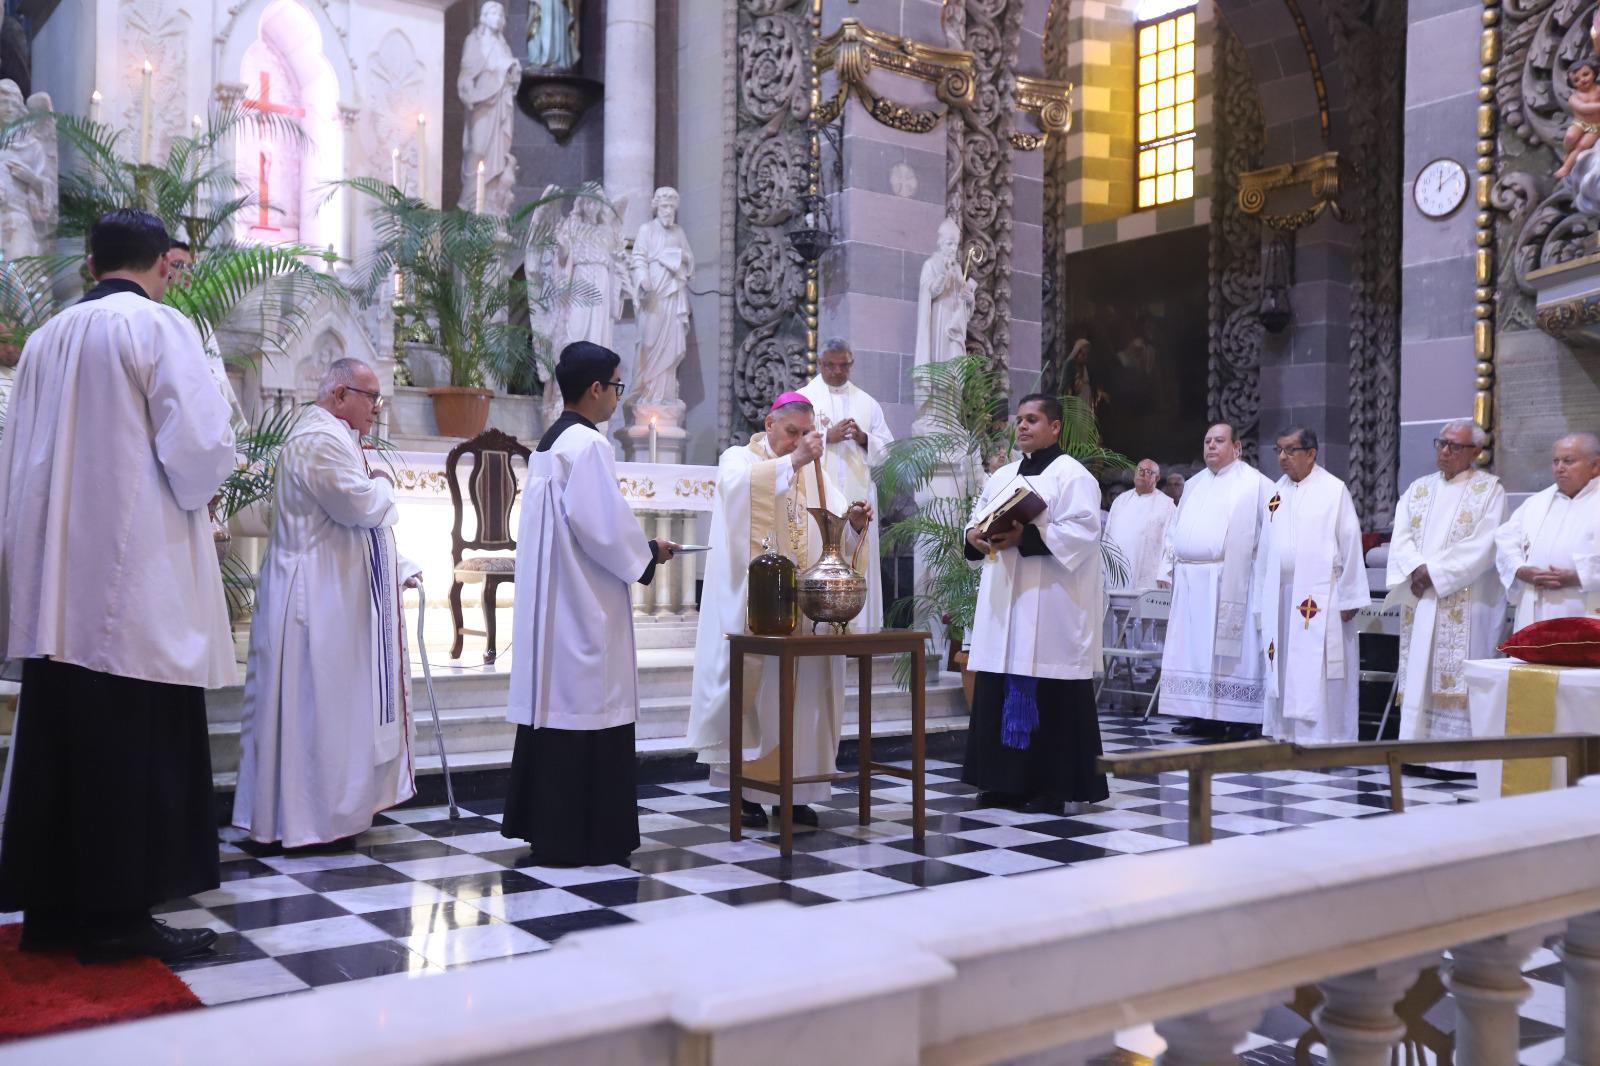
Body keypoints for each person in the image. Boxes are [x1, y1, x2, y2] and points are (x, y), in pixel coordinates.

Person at [0, 209, 235, 961]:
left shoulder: (45, 337)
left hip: (53, 585)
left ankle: (54, 914)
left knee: (61, 744)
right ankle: (117, 921)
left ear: (91, 262)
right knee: (130, 749)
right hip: (134, 584)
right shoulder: (156, 326)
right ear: (165, 262)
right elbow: (200, 451)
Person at [503, 342, 678, 867]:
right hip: (583, 605)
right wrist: (647, 553)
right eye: (617, 387)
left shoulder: (550, 443)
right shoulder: (588, 445)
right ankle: (589, 837)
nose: (618, 398)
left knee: (557, 714)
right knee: (589, 708)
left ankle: (549, 830)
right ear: (596, 388)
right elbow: (602, 527)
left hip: (554, 604)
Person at [232, 358, 420, 849]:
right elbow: (360, 505)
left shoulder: (332, 436)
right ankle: (312, 821)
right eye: (371, 397)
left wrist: (398, 564)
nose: (377, 408)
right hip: (313, 597)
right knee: (315, 708)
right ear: (340, 396)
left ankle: (323, 816)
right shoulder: (319, 440)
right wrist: (383, 480)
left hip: (328, 589)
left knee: (326, 709)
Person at [686, 393, 872, 827]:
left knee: (805, 705)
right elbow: (738, 494)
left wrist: (854, 524)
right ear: (769, 424)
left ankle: (797, 792)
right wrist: (793, 462)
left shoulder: (815, 473)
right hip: (758, 612)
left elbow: (835, 529)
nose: (799, 441)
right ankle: (748, 792)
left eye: (806, 433)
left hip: (807, 615)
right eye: (792, 432)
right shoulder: (739, 459)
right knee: (759, 701)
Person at [960, 394, 1108, 813]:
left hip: (1051, 603)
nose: (1022, 427)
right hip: (1004, 599)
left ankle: (1049, 785)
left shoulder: (1073, 475)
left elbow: (1084, 532)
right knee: (997, 686)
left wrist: (1025, 536)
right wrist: (974, 535)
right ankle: (1001, 781)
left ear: (1055, 427)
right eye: (1020, 420)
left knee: (1052, 693)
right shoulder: (1003, 475)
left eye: (1032, 419)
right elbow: (977, 518)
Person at [1387, 419, 1505, 770]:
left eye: (1455, 446)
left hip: (1467, 600)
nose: (1445, 451)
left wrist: (1434, 573)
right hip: (1422, 598)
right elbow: (1401, 537)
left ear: (1476, 452)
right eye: (1441, 443)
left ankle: (1456, 762)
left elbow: (1484, 545)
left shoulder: (1490, 491)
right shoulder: (1418, 489)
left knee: (1459, 676)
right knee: (1419, 672)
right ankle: (1415, 750)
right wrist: (1415, 568)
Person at [1158, 423, 1275, 740]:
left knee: (1233, 657)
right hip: (1190, 581)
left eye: (1219, 441)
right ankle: (1201, 714)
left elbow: (1271, 534)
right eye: (1207, 440)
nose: (1211, 445)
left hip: (1231, 581)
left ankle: (1242, 719)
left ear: (1236, 447)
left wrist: (1263, 580)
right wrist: (1166, 569)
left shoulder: (1256, 485)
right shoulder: (1194, 484)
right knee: (1194, 652)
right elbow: (1175, 529)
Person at [1254, 427, 1370, 744]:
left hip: (1322, 597)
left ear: (1311, 454)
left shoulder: (1333, 490)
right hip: (1280, 596)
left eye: (1290, 450)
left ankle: (1325, 739)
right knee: (1283, 664)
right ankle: (1284, 734)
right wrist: (1260, 601)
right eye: (1279, 450)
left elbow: (1350, 542)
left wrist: (1350, 596)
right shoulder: (1275, 494)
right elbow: (1265, 550)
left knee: (1318, 668)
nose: (1282, 457)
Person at [798, 338, 895, 629]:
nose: (838, 371)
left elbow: (888, 451)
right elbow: (789, 444)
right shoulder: (803, 399)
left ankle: (860, 629)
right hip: (817, 497)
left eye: (844, 365)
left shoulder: (867, 403)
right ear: (820, 364)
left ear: (851, 364)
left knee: (857, 556)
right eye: (831, 365)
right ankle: (816, 626)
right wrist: (827, 437)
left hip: (858, 498)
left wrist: (864, 438)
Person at [1494, 432, 1600, 630]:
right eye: (1555, 461)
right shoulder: (1536, 503)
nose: (1559, 468)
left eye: (1568, 461)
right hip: (1535, 609)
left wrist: (1580, 576)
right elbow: (1506, 538)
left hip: (1583, 608)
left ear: (1595, 466)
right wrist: (1520, 569)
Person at [1104, 458, 1175, 593]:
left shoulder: (1167, 505)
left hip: (1149, 576)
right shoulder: (1120, 501)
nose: (1142, 474)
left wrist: (1166, 574)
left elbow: (1173, 543)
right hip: (1116, 571)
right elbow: (1107, 535)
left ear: (1157, 478)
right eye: (1139, 470)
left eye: (1148, 472)